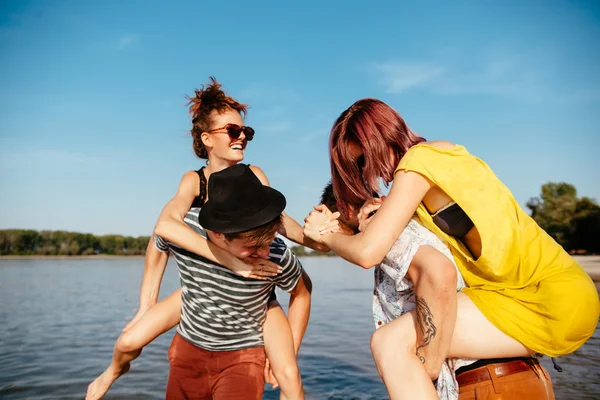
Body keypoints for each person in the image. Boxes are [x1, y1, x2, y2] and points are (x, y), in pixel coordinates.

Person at [303, 98, 599, 399]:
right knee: (395, 344)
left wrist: (327, 236)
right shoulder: (441, 157)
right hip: (521, 295)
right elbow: (358, 236)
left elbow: (368, 252)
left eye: (364, 160)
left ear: (383, 138)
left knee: (390, 343)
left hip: (545, 296)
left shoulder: (417, 163)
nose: (369, 175)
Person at [87, 78, 319, 400]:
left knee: (288, 374)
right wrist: (146, 305)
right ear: (207, 139)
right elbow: (163, 232)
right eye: (233, 131)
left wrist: (321, 240)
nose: (242, 138)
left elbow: (277, 224)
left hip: (252, 297)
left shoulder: (255, 176)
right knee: (127, 341)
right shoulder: (194, 181)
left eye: (246, 132)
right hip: (202, 282)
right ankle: (110, 373)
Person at [319, 182, 555, 400]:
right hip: (522, 375)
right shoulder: (420, 226)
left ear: (343, 209)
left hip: (486, 385)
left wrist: (429, 360)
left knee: (387, 343)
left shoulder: (388, 234)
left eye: (331, 225)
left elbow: (439, 272)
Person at [160, 163, 311, 399]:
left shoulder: (276, 254)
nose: (263, 253)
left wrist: (289, 350)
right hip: (188, 352)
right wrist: (146, 302)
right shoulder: (186, 231)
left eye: (268, 243)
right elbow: (159, 240)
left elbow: (302, 292)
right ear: (218, 234)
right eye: (252, 247)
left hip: (243, 356)